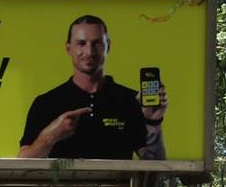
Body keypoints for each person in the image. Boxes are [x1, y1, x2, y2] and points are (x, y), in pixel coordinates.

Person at [17, 15, 166, 160]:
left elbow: (154, 166)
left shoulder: (131, 100)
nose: (89, 52)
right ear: (68, 48)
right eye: (81, 43)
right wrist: (51, 135)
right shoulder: (46, 103)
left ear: (108, 46)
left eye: (97, 43)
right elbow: (22, 162)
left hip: (120, 186)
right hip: (61, 185)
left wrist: (153, 122)